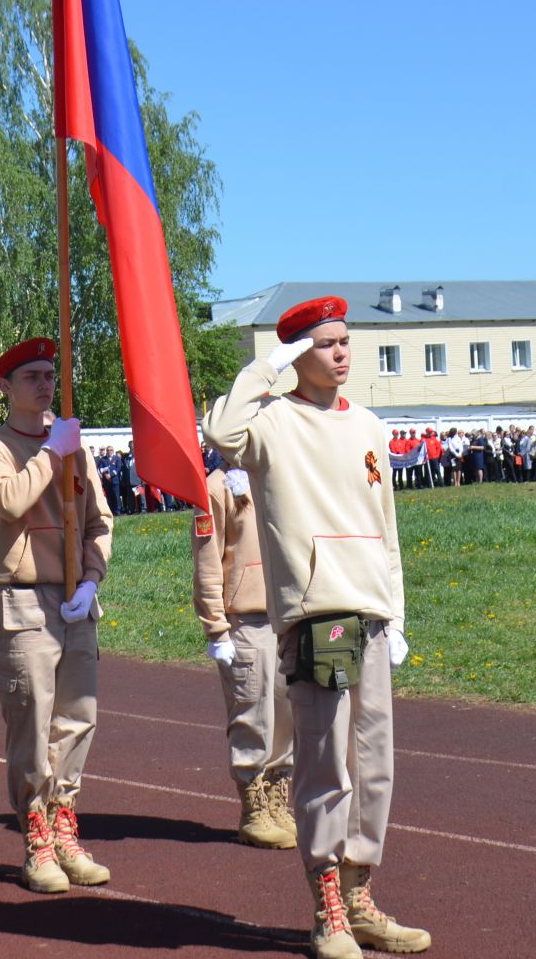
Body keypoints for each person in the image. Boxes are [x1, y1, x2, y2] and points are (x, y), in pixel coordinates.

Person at [204, 296, 430, 958]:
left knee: (374, 762)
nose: (340, 353)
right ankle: (327, 898)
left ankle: (361, 895)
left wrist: (397, 610)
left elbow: (386, 524)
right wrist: (266, 366)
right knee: (327, 760)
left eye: (344, 341)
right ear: (299, 354)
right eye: (325, 343)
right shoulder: (271, 424)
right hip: (319, 610)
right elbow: (221, 431)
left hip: (371, 609)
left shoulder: (367, 424)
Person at [0, 337, 115, 895]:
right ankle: (36, 833)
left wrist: (93, 578)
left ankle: (65, 822)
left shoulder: (73, 445)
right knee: (31, 720)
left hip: (74, 597)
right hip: (24, 598)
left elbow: (100, 522)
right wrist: (52, 452)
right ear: (5, 387)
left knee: (78, 717)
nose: (45, 384)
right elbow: (8, 500)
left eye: (50, 374)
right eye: (31, 376)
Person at [195, 458, 296, 849]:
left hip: (286, 615)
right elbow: (207, 559)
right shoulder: (217, 487)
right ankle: (254, 808)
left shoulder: (277, 474)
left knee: (287, 713)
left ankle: (276, 799)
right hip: (245, 619)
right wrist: (215, 625)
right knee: (252, 713)